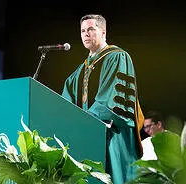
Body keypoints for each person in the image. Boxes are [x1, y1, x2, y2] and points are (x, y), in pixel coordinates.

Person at [61, 14, 144, 184]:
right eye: (83, 30)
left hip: (112, 136)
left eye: (91, 29)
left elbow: (112, 102)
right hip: (87, 136)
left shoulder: (117, 57)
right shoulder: (79, 71)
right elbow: (65, 102)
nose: (86, 34)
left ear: (103, 32)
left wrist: (84, 121)